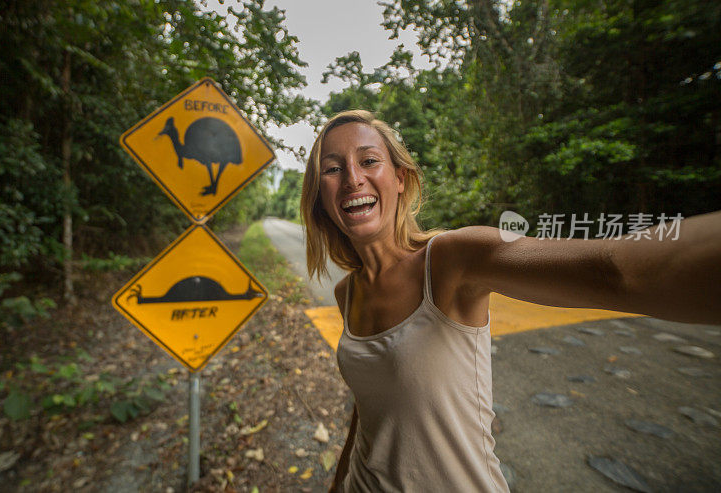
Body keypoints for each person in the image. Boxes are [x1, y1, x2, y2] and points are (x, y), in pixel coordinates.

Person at [298, 110, 721, 492]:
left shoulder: (451, 259)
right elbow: (370, 402)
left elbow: (614, 269)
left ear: (400, 177)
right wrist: (338, 481)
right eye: (333, 169)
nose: (353, 178)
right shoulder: (345, 292)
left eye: (369, 160)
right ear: (320, 197)